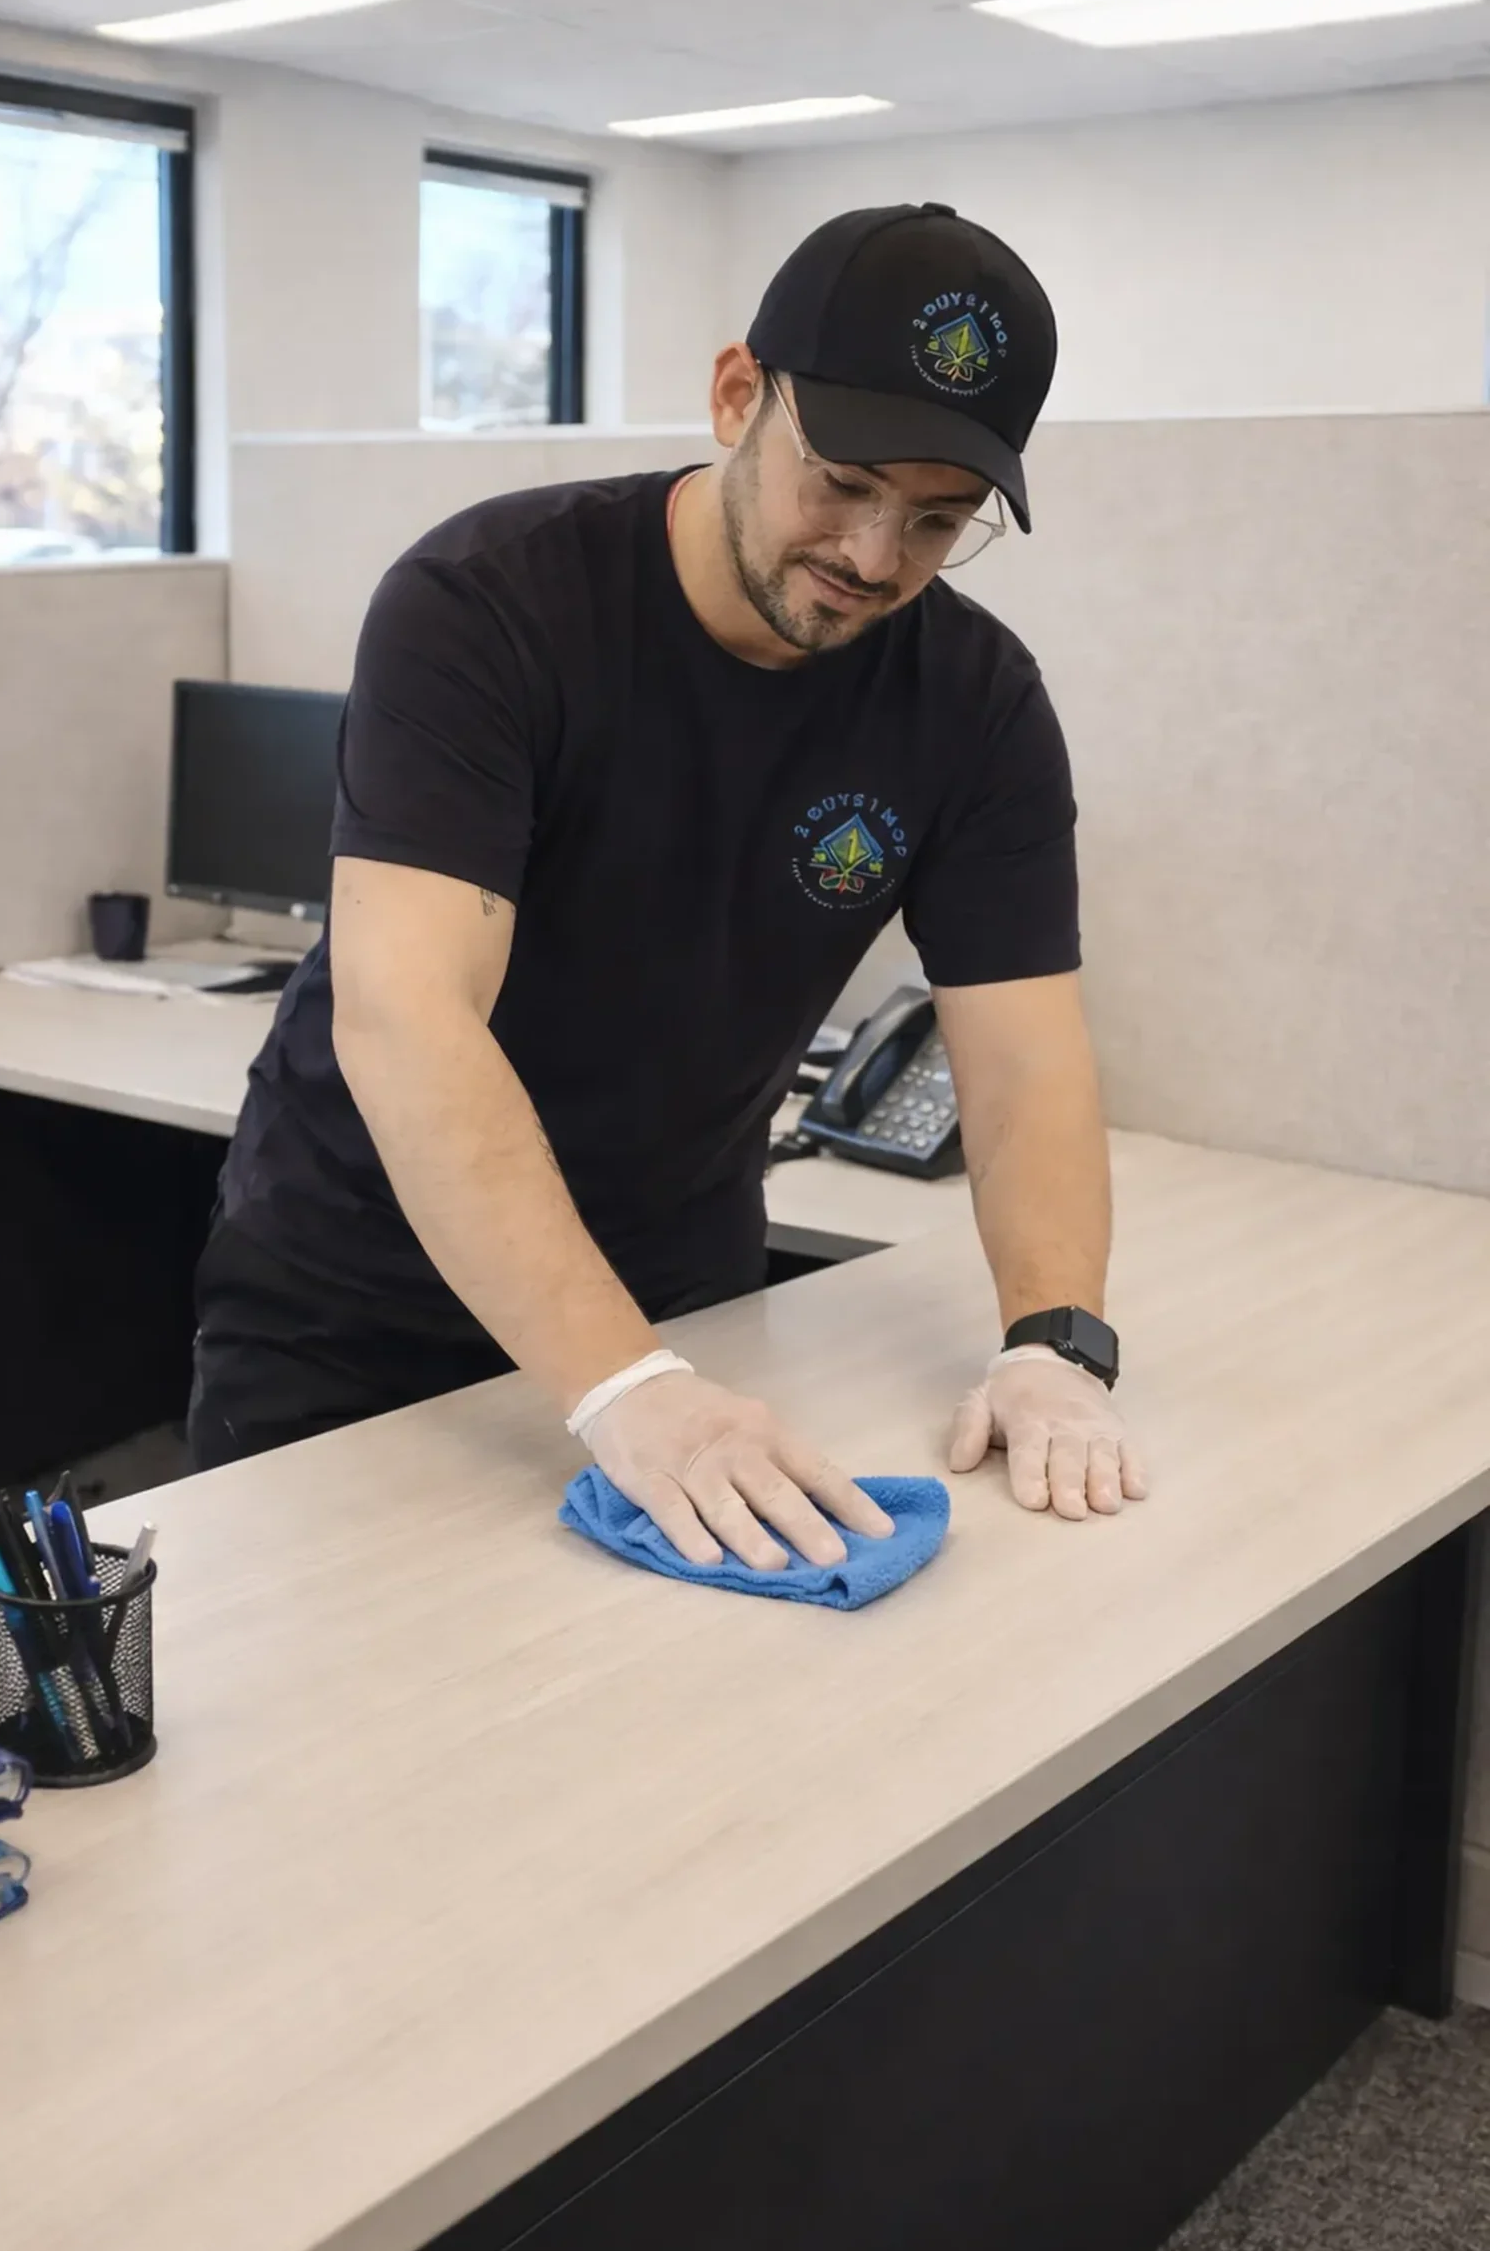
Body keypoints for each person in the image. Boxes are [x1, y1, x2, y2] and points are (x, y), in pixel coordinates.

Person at [188, 201, 1146, 1562]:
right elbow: (410, 1021)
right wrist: (618, 1388)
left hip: (683, 1293)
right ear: (736, 393)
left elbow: (1025, 1063)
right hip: (361, 1292)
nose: (874, 560)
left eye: (936, 521)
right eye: (844, 483)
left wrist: (1052, 1343)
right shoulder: (486, 606)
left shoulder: (972, 702)